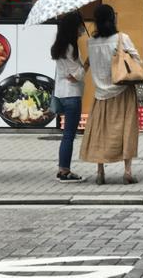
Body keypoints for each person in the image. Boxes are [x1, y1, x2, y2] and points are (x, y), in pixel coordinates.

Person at [80, 4, 141, 185]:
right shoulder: (122, 39)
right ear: (112, 18)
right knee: (126, 129)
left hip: (100, 94)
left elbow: (88, 65)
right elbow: (137, 60)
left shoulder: (91, 42)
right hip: (123, 91)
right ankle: (127, 171)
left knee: (100, 131)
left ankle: (100, 172)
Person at [51, 12, 89, 183]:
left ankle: (63, 169)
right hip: (72, 94)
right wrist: (87, 64)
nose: (82, 29)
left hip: (62, 93)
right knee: (69, 135)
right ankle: (64, 170)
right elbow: (76, 75)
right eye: (80, 25)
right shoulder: (70, 48)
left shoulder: (59, 45)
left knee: (67, 135)